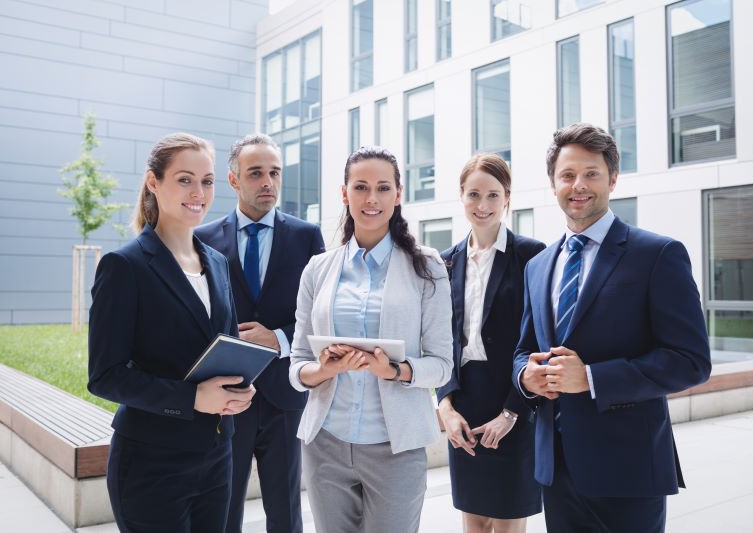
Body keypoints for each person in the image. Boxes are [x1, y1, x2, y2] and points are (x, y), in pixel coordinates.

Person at [512, 123, 712, 533]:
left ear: (613, 179)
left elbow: (691, 362)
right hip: (557, 470)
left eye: (591, 173)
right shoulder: (537, 266)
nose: (578, 185)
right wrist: (525, 376)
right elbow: (523, 349)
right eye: (567, 175)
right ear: (553, 184)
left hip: (629, 469)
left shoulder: (658, 255)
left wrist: (589, 378)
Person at [88, 133, 257, 533]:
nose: (198, 192)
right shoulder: (124, 266)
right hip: (151, 463)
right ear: (153, 182)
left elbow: (226, 345)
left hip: (217, 455)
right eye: (184, 179)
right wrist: (192, 398)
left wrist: (240, 388)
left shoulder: (217, 262)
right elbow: (105, 376)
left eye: (208, 181)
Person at [289, 146, 453, 533]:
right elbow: (297, 362)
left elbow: (443, 364)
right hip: (325, 443)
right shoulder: (318, 269)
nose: (371, 199)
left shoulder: (427, 267)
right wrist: (322, 370)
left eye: (383, 188)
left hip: (396, 447)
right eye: (360, 187)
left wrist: (394, 370)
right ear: (344, 194)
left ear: (399, 194)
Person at [195, 133, 324, 533]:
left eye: (274, 172)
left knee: (286, 512)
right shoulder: (202, 238)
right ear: (234, 180)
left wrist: (280, 338)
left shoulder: (306, 236)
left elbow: (321, 314)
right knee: (222, 507)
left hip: (285, 395)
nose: (268, 182)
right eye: (256, 173)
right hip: (227, 395)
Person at [437, 154, 544, 533]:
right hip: (464, 403)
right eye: (473, 194)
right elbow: (439, 341)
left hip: (512, 400)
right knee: (474, 523)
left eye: (493, 195)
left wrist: (513, 412)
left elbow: (538, 343)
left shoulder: (532, 256)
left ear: (508, 198)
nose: (482, 206)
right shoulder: (445, 262)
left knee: (507, 523)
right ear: (462, 197)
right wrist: (445, 406)